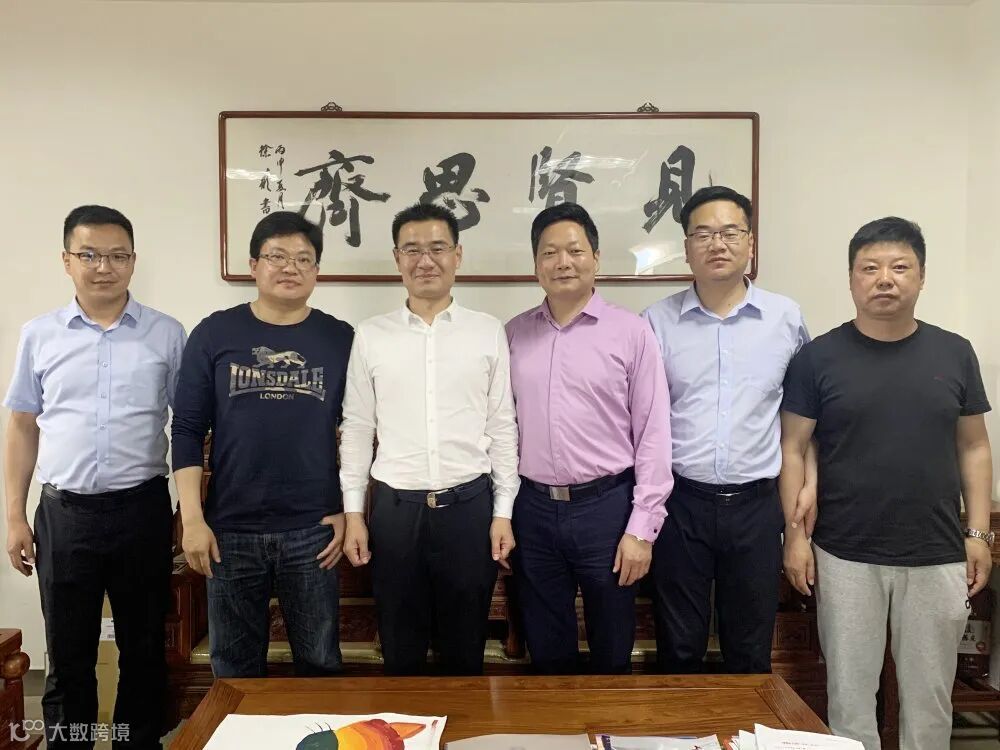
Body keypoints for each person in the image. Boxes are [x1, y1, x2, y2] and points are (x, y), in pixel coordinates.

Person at [781, 216, 993, 750]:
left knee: (929, 703)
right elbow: (794, 447)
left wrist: (978, 533)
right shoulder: (818, 357)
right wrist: (796, 538)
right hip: (845, 553)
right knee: (850, 703)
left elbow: (974, 446)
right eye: (869, 268)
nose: (884, 279)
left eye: (900, 267)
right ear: (851, 279)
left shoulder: (954, 352)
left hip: (936, 553)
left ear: (921, 277)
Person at [4, 205, 186, 748]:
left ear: (133, 261)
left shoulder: (166, 334)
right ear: (67, 260)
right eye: (89, 255)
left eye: (117, 255)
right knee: (68, 657)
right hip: (65, 515)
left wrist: (188, 510)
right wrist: (14, 515)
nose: (104, 266)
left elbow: (189, 426)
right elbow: (21, 425)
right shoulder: (39, 335)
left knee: (145, 652)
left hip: (142, 511)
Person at [339, 202, 519, 675]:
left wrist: (503, 512)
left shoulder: (487, 331)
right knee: (401, 649)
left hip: (470, 509)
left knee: (465, 650)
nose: (425, 260)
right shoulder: (371, 336)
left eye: (437, 248)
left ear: (457, 255)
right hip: (396, 512)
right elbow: (357, 428)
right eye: (412, 249)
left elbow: (502, 426)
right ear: (397, 258)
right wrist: (355, 514)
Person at [172, 211, 352, 678]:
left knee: (320, 664)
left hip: (315, 530)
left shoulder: (340, 338)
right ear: (254, 265)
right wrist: (192, 519)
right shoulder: (215, 333)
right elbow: (187, 430)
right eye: (276, 256)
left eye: (303, 258)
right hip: (230, 530)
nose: (290, 267)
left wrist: (349, 511)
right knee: (234, 670)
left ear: (317, 270)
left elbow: (358, 430)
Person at [641, 185, 813, 674]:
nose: (717, 243)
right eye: (703, 234)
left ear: (750, 243)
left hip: (757, 506)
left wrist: (803, 507)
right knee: (678, 649)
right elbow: (643, 422)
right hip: (680, 504)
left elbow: (803, 424)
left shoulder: (786, 318)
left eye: (730, 232)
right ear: (686, 248)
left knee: (750, 650)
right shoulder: (655, 322)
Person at [506, 202, 671, 674]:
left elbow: (654, 433)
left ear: (596, 258)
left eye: (575, 250)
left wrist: (642, 528)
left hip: (608, 507)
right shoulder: (514, 334)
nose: (563, 262)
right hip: (534, 508)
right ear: (536, 264)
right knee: (546, 648)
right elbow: (501, 428)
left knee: (612, 647)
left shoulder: (631, 332)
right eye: (549, 252)